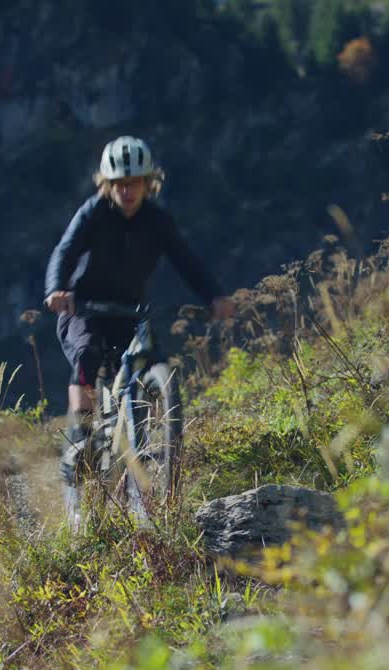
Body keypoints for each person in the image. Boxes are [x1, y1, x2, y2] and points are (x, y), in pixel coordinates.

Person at [44, 135, 232, 488]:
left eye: (134, 184)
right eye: (119, 184)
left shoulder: (157, 221)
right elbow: (65, 250)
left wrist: (214, 296)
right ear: (107, 184)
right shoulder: (94, 212)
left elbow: (186, 260)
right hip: (83, 309)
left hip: (128, 313)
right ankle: (80, 437)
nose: (127, 192)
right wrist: (56, 289)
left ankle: (142, 456)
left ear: (148, 183)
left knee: (153, 365)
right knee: (86, 354)